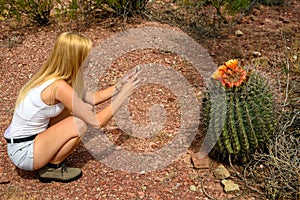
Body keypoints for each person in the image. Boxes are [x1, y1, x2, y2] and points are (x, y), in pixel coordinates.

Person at [4, 32, 140, 183]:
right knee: (81, 122)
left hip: (24, 142)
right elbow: (96, 122)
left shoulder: (53, 79)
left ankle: (49, 156)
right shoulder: (58, 87)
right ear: (77, 59)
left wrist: (119, 86)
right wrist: (123, 95)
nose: (91, 58)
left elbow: (92, 98)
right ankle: (52, 168)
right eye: (88, 55)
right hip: (24, 152)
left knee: (85, 107)